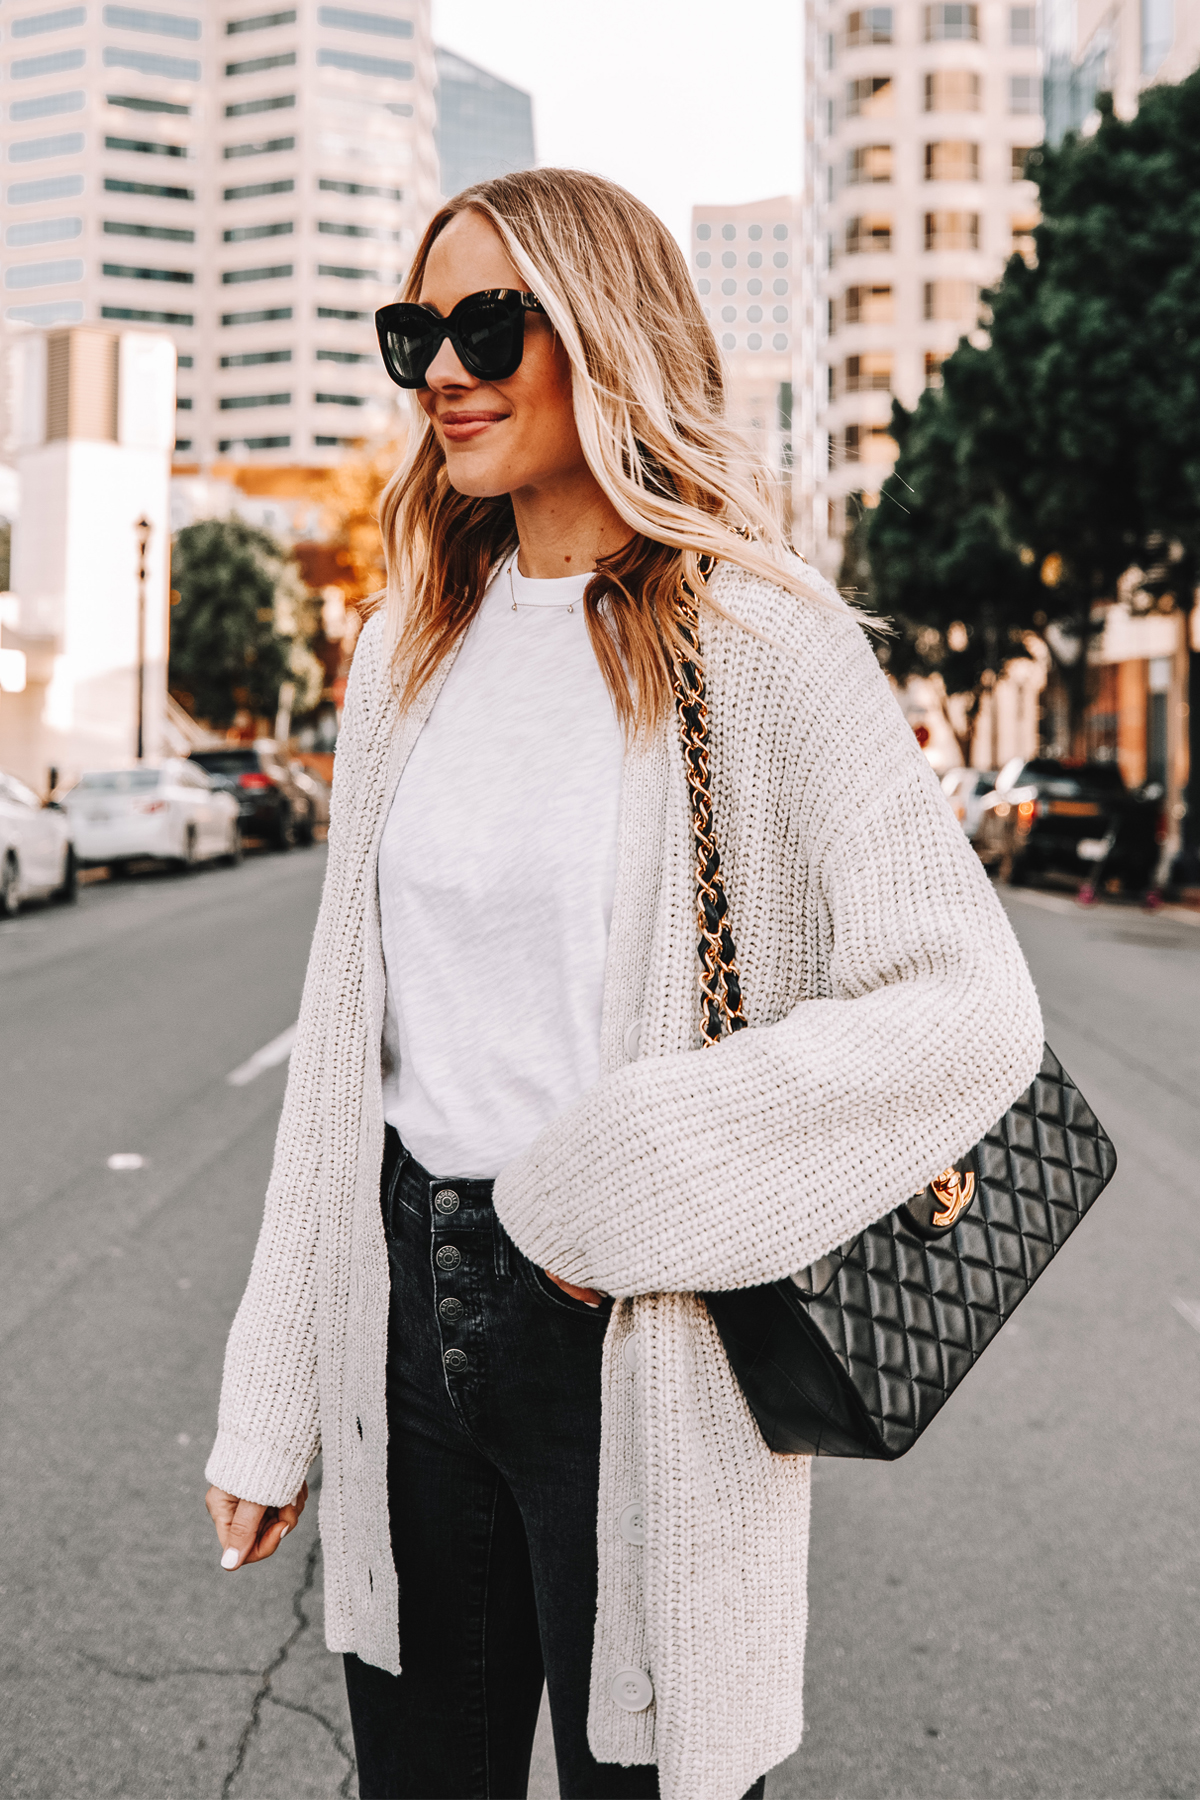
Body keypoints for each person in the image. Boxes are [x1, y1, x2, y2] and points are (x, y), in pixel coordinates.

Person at [204, 169, 1043, 1800]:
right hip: (409, 1316)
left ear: (610, 332)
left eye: (489, 325)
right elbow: (340, 1064)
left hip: (635, 1334)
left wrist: (627, 1179)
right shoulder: (409, 647)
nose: (443, 368)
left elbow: (966, 1002)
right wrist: (270, 1394)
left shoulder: (761, 643)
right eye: (415, 332)